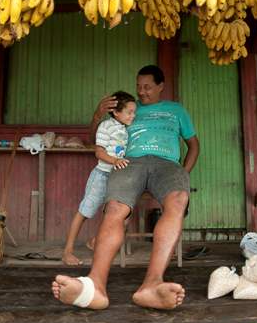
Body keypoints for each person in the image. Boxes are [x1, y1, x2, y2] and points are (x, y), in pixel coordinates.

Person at [52, 65, 200, 310]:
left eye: (148, 87)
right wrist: (98, 114)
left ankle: (152, 285)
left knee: (178, 200)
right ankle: (94, 286)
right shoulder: (126, 109)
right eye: (138, 87)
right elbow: (96, 138)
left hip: (167, 165)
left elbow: (194, 145)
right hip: (129, 163)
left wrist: (183, 172)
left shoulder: (176, 110)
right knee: (115, 208)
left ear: (161, 86)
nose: (141, 92)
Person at [62, 91, 137, 266]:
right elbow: (99, 152)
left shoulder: (125, 128)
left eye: (134, 112)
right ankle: (67, 251)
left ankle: (95, 242)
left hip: (118, 178)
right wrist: (115, 160)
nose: (133, 115)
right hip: (102, 176)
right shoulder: (106, 126)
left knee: (124, 214)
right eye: (129, 112)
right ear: (116, 112)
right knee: (85, 212)